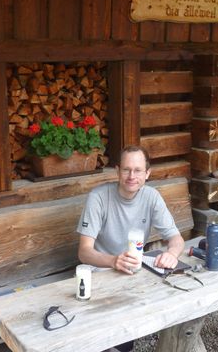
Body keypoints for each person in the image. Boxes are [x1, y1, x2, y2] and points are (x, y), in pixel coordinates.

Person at [76, 145, 185, 351]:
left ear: (147, 173)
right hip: (100, 270)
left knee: (174, 303)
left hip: (134, 269)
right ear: (117, 171)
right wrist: (112, 261)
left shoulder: (152, 196)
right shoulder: (98, 197)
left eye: (137, 170)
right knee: (103, 328)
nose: (131, 176)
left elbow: (176, 239)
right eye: (126, 169)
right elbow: (84, 252)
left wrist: (171, 254)